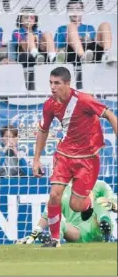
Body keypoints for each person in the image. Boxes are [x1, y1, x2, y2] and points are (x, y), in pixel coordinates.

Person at [33, 66, 117, 248]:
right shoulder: (50, 104)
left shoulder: (84, 100)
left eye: (57, 83)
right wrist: (36, 159)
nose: (53, 87)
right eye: (50, 83)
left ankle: (88, 205)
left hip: (87, 159)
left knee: (76, 205)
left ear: (67, 84)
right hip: (64, 155)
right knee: (54, 195)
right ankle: (55, 240)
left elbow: (110, 114)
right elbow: (43, 129)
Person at [17, 180, 117, 244]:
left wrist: (112, 205)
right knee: (59, 223)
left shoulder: (100, 185)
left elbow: (114, 203)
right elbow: (47, 216)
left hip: (97, 226)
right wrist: (34, 234)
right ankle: (54, 241)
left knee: (101, 202)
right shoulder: (60, 191)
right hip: (78, 231)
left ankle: (105, 229)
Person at [54, 0, 113, 65]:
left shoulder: (90, 28)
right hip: (74, 55)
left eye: (78, 9)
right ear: (68, 12)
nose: (75, 12)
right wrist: (73, 39)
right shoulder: (62, 29)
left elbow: (96, 43)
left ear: (82, 11)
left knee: (105, 25)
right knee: (71, 27)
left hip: (91, 53)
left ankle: (107, 54)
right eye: (71, 9)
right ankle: (83, 56)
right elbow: (56, 50)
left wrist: (89, 40)